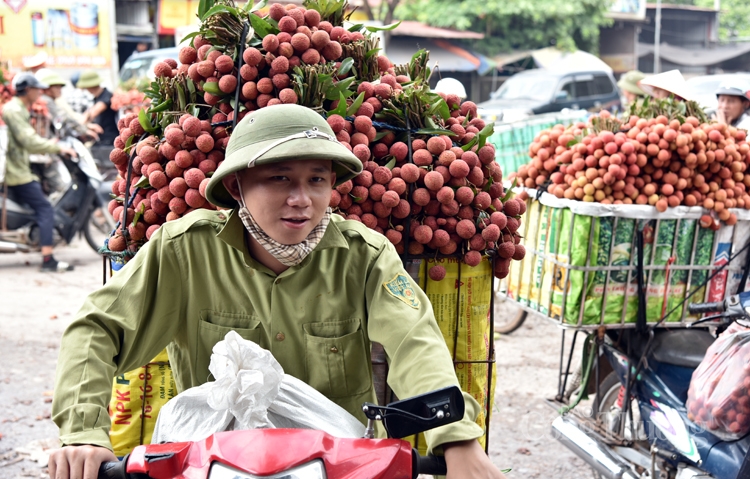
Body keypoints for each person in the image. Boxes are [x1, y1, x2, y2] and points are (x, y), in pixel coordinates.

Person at [48, 105, 508, 479]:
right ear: (237, 186)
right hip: (211, 465)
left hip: (336, 466)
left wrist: (456, 438)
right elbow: (97, 328)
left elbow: (415, 342)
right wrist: (84, 433)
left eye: (317, 179)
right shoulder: (183, 251)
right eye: (280, 178)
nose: (301, 199)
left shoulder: (364, 256)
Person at [1, 73, 77, 271]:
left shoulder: (19, 109)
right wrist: (58, 148)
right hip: (15, 172)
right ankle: (47, 259)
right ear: (27, 90)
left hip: (20, 166)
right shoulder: (14, 110)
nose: (39, 92)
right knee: (45, 209)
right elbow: (28, 140)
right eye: (36, 89)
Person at [76, 71, 118, 147]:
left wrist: (85, 122)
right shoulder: (98, 97)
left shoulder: (106, 96)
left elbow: (93, 112)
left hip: (110, 138)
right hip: (102, 137)